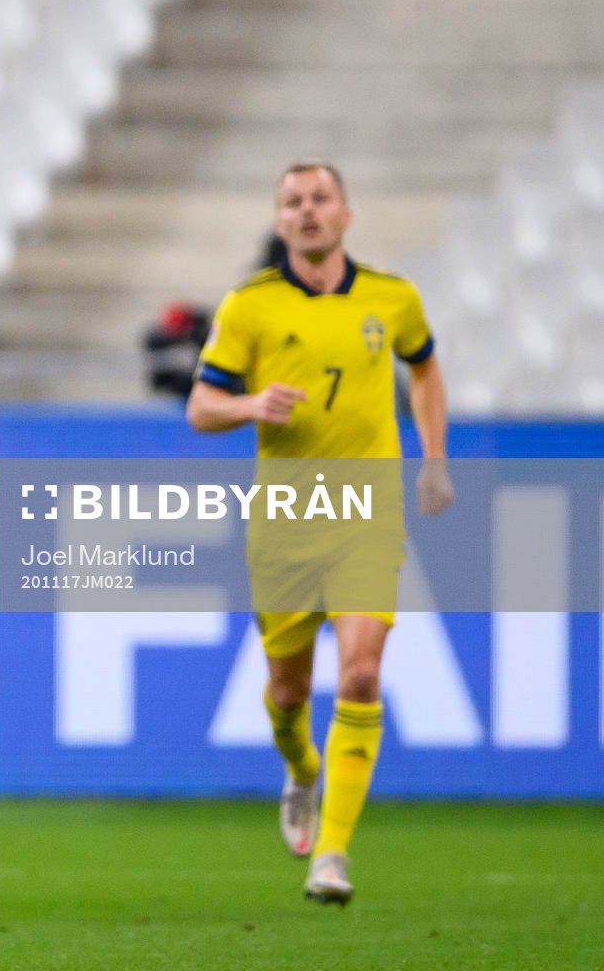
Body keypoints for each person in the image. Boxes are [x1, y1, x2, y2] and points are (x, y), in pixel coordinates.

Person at [185, 160, 452, 906]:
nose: (308, 211)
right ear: (280, 221)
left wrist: (434, 460)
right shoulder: (250, 307)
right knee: (287, 688)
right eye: (293, 201)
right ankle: (302, 767)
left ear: (346, 214)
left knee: (362, 674)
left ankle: (331, 855)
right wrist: (250, 404)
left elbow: (426, 372)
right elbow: (201, 407)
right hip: (287, 520)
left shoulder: (392, 300)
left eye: (320, 199)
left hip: (367, 511)